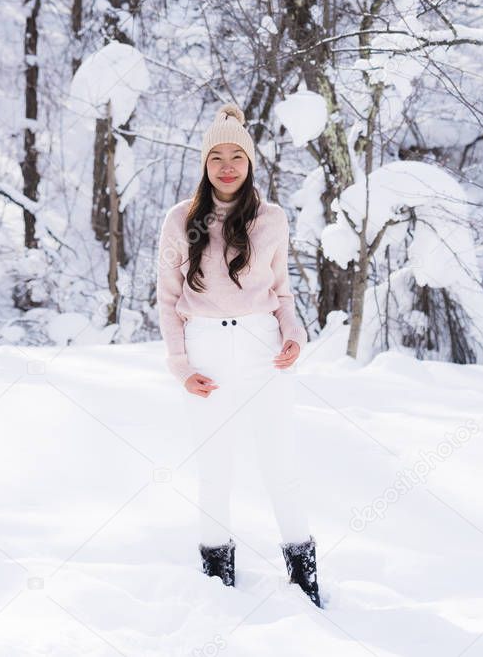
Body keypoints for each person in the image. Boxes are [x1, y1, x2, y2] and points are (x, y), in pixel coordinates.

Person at [155, 103, 322, 608]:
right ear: (204, 165)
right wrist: (181, 367)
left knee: (280, 463)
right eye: (216, 157)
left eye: (237, 156)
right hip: (205, 352)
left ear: (250, 162)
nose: (227, 166)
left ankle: (305, 579)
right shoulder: (179, 220)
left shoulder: (271, 219)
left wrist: (294, 336)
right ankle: (216, 580)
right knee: (215, 467)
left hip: (262, 350)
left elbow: (283, 292)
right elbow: (166, 300)